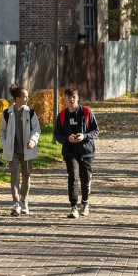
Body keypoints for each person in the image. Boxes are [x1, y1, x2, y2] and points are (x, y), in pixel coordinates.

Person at [52, 86, 99, 218]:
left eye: (74, 97)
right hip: (70, 152)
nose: (72, 100)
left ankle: (85, 203)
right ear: (65, 99)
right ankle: (73, 207)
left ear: (78, 97)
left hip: (86, 151)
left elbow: (96, 131)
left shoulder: (87, 112)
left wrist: (84, 136)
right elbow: (57, 135)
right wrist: (67, 138)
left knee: (85, 179)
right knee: (73, 177)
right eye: (69, 98)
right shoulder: (61, 116)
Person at [0, 84, 40, 216]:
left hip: (27, 151)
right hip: (13, 151)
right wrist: (5, 144)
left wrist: (33, 141)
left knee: (26, 178)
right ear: (17, 98)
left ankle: (24, 200)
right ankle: (16, 204)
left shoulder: (31, 113)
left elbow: (36, 130)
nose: (27, 99)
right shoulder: (7, 113)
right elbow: (1, 131)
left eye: (27, 96)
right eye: (25, 97)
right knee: (14, 178)